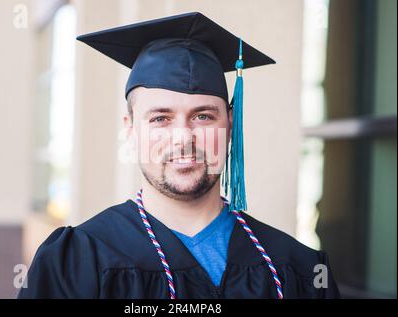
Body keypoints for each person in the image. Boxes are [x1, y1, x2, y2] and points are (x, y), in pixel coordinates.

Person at [18, 12, 340, 299]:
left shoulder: (297, 271)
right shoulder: (78, 264)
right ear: (131, 130)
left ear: (230, 124)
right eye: (161, 118)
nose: (184, 137)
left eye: (203, 116)